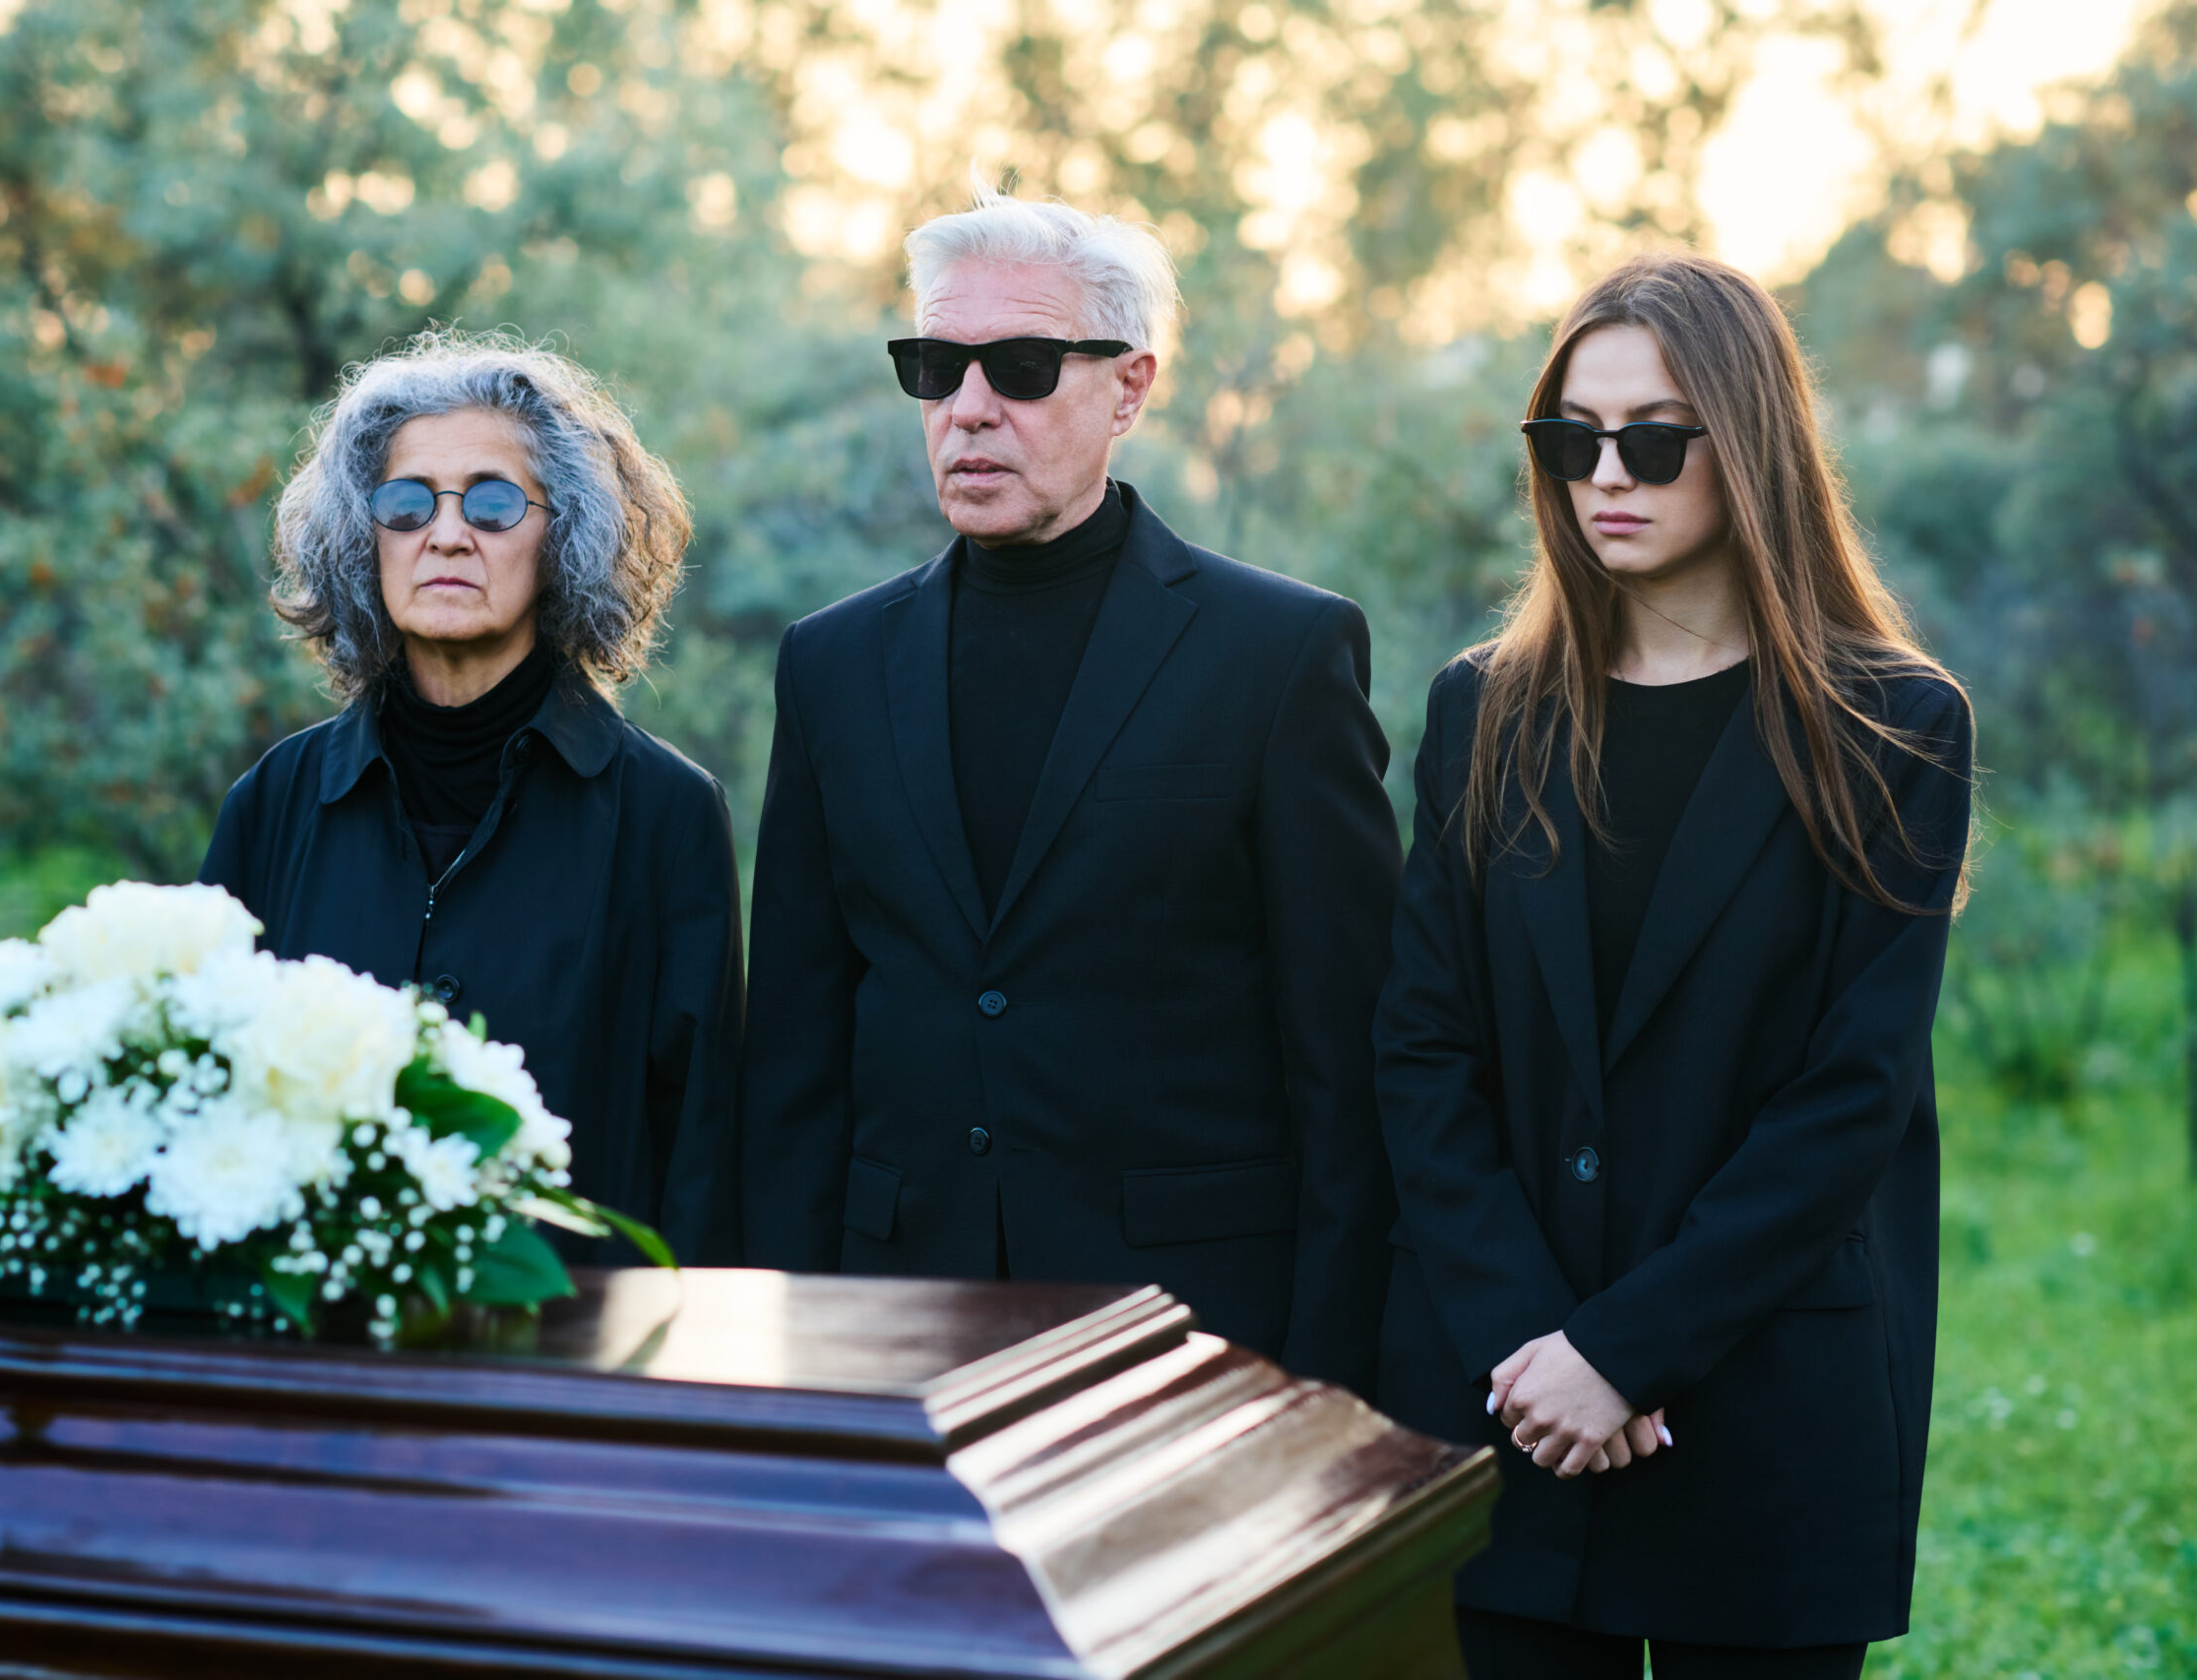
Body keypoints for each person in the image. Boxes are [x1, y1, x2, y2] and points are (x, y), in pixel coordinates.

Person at [1374, 251, 1975, 1678]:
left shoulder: (1891, 727)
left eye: (1651, 440)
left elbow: (1851, 1095)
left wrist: (1626, 1351)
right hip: (1509, 1404)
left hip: (1766, 1401)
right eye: (1570, 439)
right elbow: (1422, 1045)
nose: (1605, 477)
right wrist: (1537, 1345)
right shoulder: (1483, 712)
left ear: (1749, 443)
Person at [739, 182, 1402, 1394]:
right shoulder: (830, 665)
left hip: (1192, 1341)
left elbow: (1345, 1070)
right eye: (935, 367)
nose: (969, 407)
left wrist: (1324, 1390)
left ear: (1129, 388)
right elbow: (793, 1064)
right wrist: (785, 1379)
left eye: (1022, 367)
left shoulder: (1279, 654)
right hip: (893, 1336)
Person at [199, 332, 740, 1265]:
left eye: (492, 503)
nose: (446, 534)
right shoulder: (273, 803)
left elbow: (704, 1155)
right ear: (363, 536)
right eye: (406, 503)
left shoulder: (667, 815)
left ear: (562, 536)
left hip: (572, 1338)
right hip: (313, 1338)